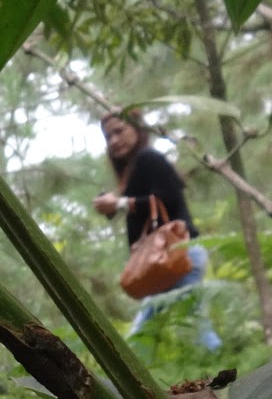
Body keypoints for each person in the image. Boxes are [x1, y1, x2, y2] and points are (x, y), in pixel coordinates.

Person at [93, 111, 221, 351]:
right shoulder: (134, 168)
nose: (113, 141)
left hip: (180, 254)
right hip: (168, 258)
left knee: (191, 325)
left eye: (119, 131)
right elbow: (147, 206)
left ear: (138, 129)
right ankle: (134, 377)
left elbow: (166, 198)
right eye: (108, 136)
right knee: (156, 328)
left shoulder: (149, 158)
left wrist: (120, 203)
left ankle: (222, 365)